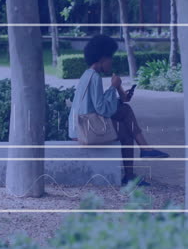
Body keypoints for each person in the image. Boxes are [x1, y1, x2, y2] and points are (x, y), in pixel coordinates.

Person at [68, 34, 170, 186]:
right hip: (85, 129)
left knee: (126, 122)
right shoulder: (94, 77)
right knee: (126, 113)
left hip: (81, 126)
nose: (112, 62)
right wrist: (113, 87)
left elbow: (98, 104)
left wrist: (120, 95)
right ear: (102, 58)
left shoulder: (87, 75)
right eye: (111, 58)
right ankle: (143, 152)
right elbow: (103, 110)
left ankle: (134, 169)